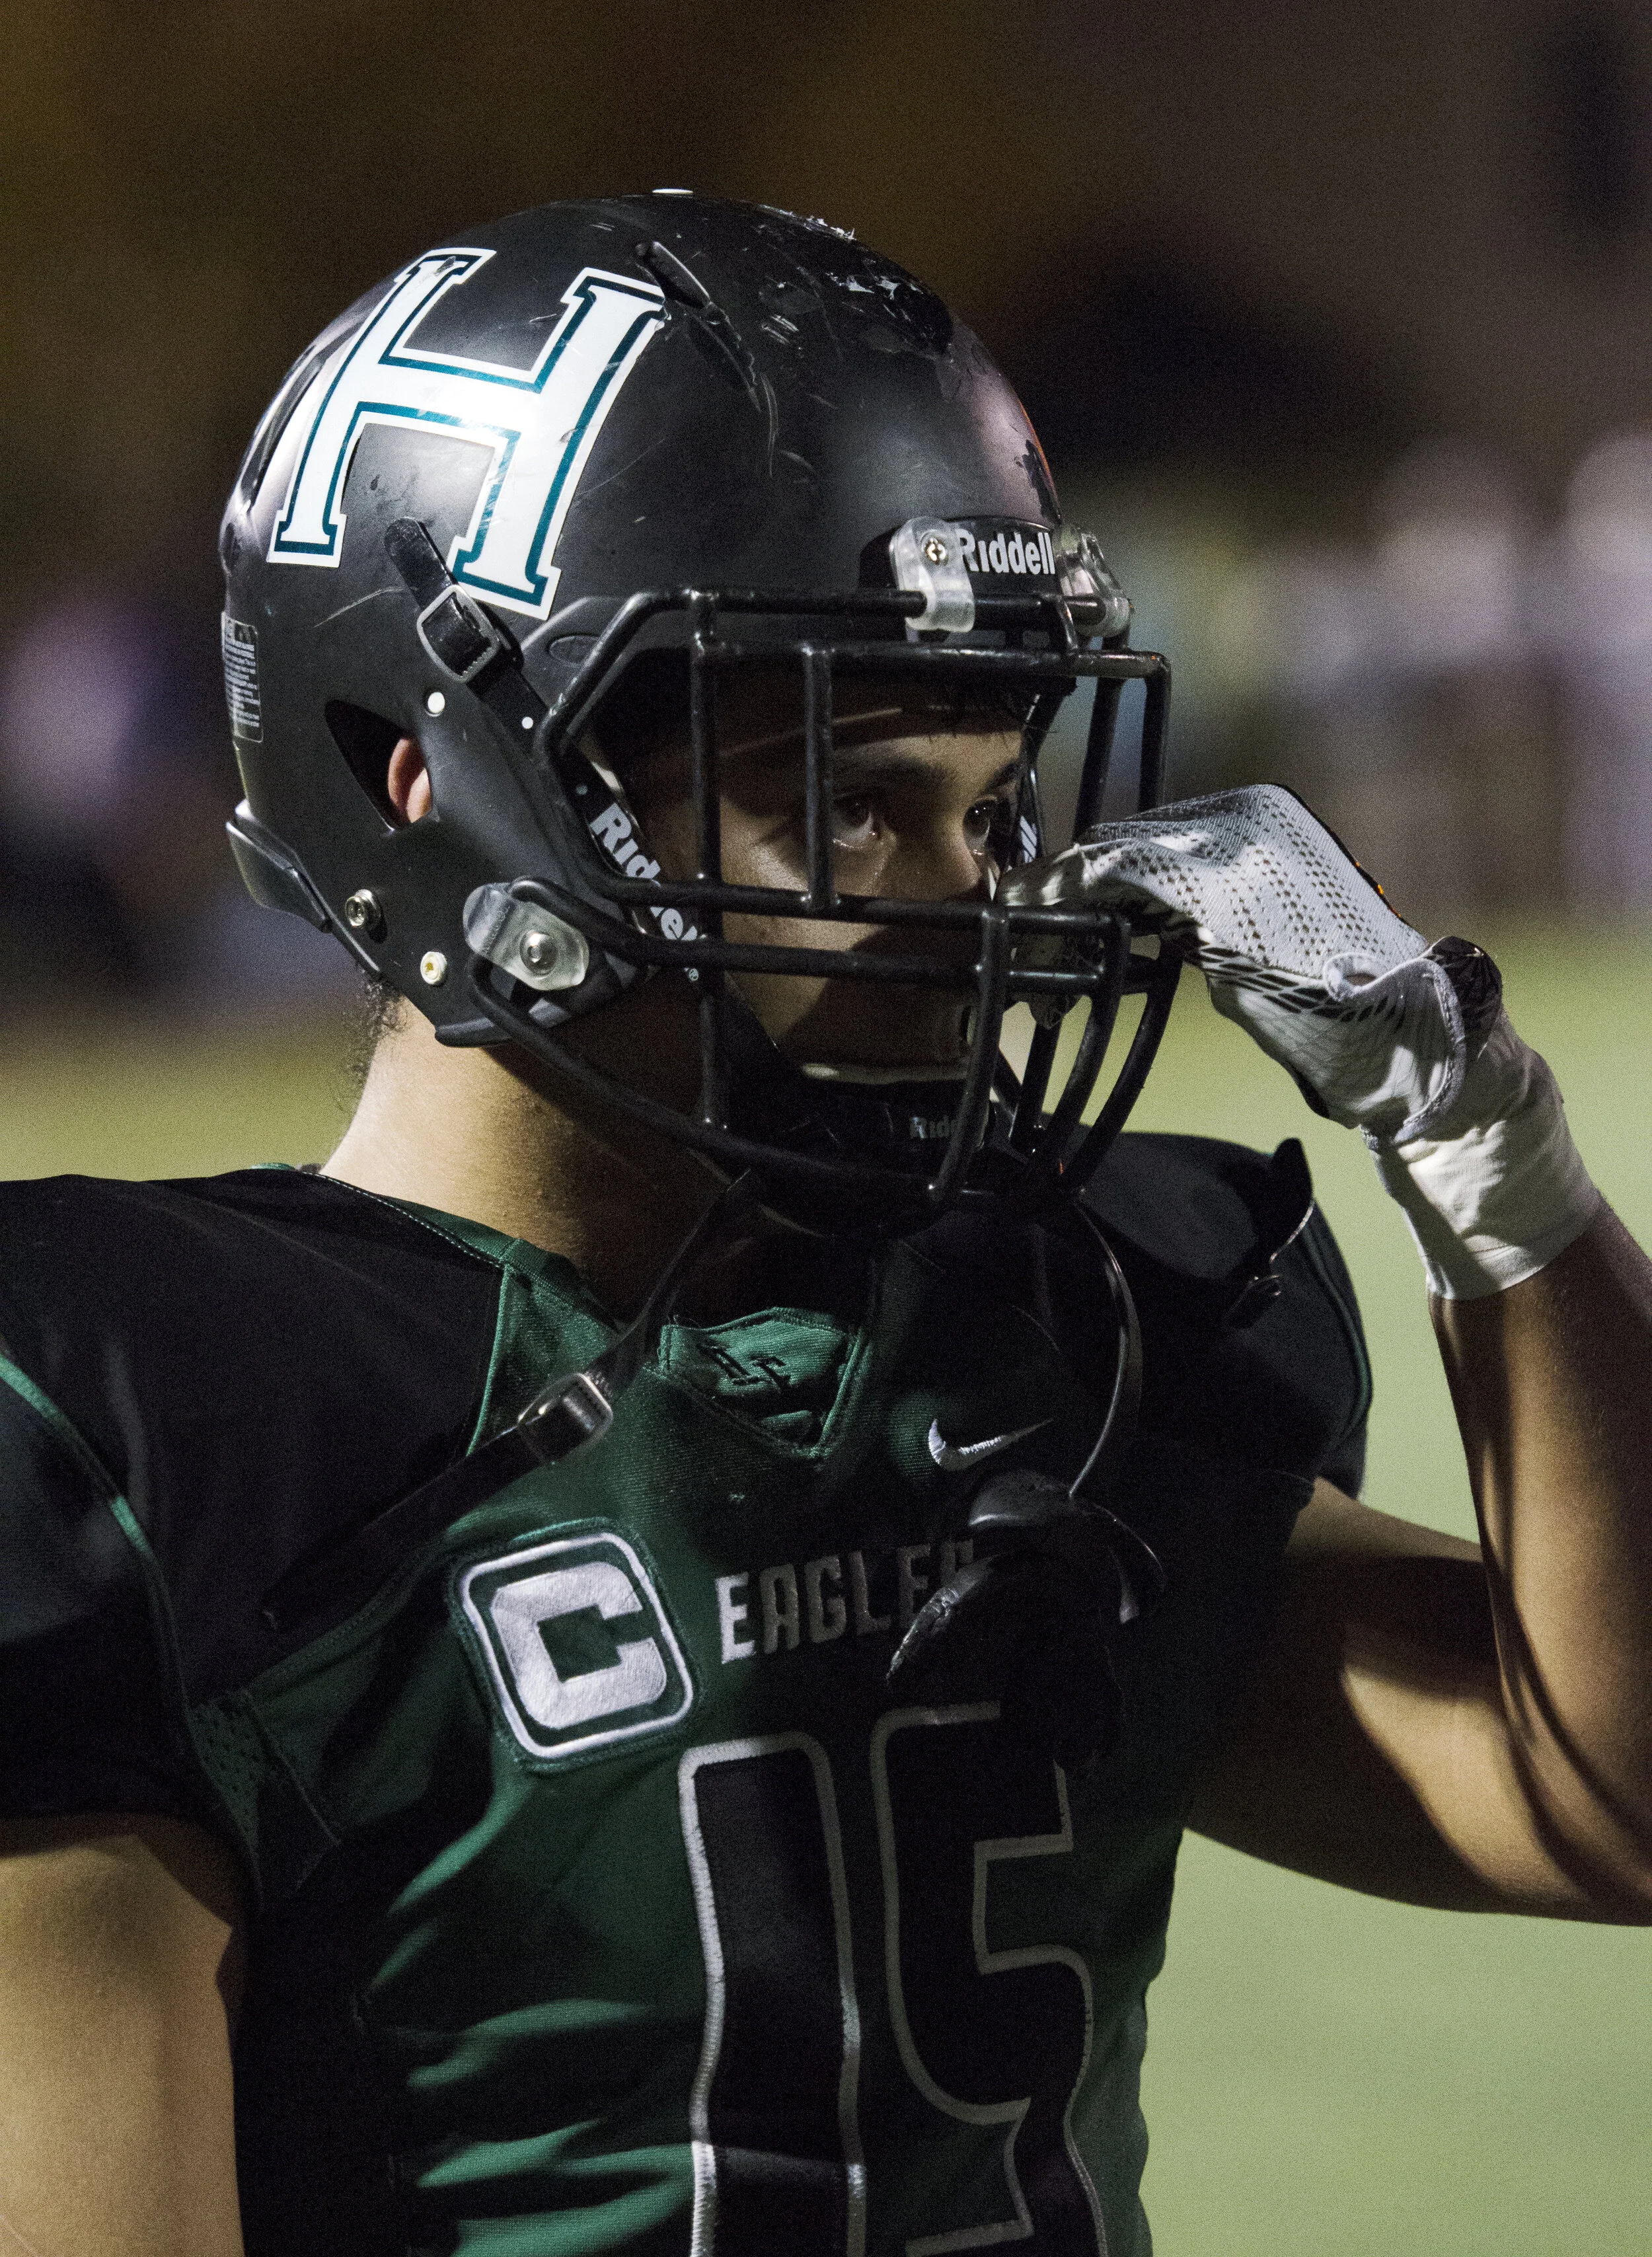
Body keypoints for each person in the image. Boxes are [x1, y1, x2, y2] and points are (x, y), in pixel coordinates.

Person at [0, 196, 1647, 2257]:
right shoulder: (172, 1444)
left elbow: (1602, 1795)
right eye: (855, 800)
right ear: (426, 777)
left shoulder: (1026, 1340)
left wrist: (1493, 1162)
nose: (962, 904)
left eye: (986, 806)